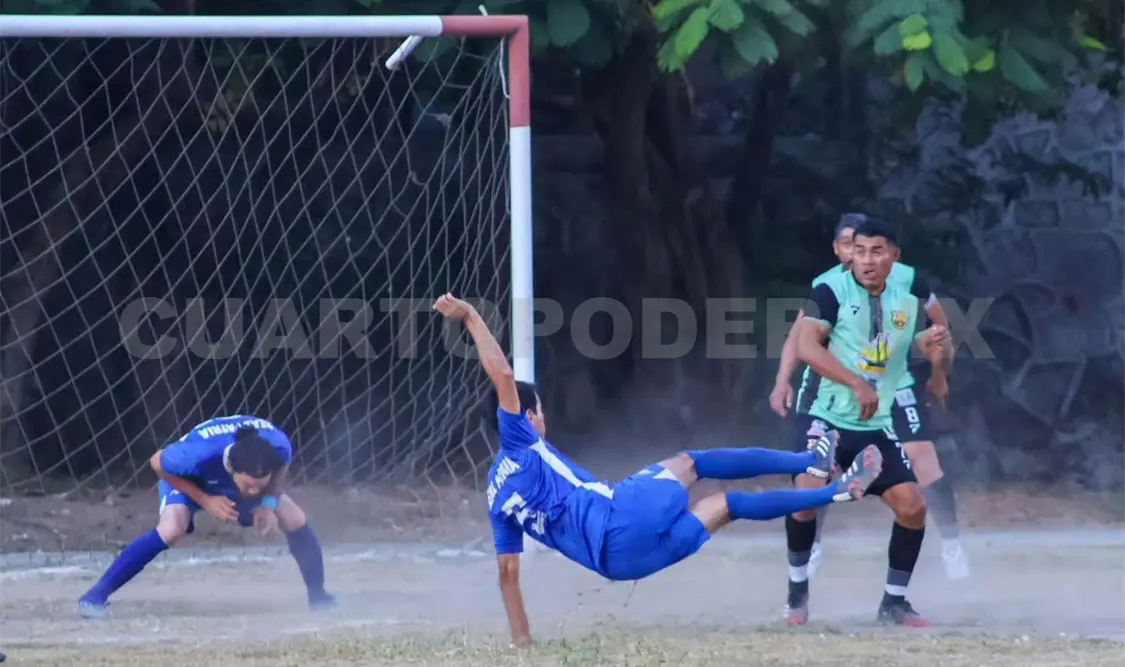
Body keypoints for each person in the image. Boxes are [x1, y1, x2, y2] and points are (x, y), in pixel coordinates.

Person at [432, 293, 885, 648]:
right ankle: (808, 461)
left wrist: (523, 644)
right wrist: (471, 317)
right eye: (541, 411)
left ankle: (834, 493)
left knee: (725, 506)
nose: (543, 418)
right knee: (693, 463)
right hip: (621, 516)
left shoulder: (495, 496)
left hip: (621, 564)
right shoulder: (522, 440)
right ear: (527, 416)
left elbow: (508, 577)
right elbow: (502, 376)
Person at [770, 213, 967, 582]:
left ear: (889, 253)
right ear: (838, 250)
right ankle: (811, 547)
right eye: (851, 247)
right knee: (818, 473)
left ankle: (952, 545)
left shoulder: (907, 280)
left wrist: (939, 371)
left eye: (871, 249)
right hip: (836, 392)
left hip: (894, 387)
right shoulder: (828, 286)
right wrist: (783, 380)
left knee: (923, 461)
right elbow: (800, 340)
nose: (858, 256)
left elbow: (939, 330)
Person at [76, 416, 336, 619]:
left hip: (231, 478)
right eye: (249, 486)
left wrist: (267, 504)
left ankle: (319, 596)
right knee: (173, 528)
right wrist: (205, 500)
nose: (253, 492)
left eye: (259, 485)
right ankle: (94, 597)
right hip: (190, 480)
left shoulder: (277, 446)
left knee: (294, 518)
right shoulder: (195, 454)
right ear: (232, 468)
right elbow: (157, 463)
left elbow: (280, 469)